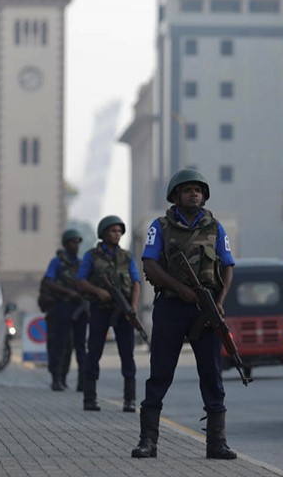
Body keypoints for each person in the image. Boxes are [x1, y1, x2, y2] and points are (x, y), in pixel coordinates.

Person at [131, 169, 237, 460]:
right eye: (188, 190)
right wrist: (182, 290)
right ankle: (148, 441)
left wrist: (220, 302)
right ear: (175, 195)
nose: (195, 194)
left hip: (207, 308)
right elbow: (150, 266)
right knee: (160, 373)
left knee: (212, 374)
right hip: (171, 306)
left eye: (199, 190)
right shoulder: (161, 226)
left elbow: (227, 266)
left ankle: (217, 443)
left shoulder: (215, 227)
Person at [75, 215, 142, 412]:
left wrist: (133, 307)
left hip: (123, 312)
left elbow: (136, 282)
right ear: (103, 234)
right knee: (94, 352)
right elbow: (80, 279)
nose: (117, 234)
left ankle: (130, 399)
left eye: (119, 231)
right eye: (113, 231)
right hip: (100, 310)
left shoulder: (127, 257)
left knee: (127, 354)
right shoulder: (92, 256)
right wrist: (98, 292)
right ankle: (89, 397)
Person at [41, 229, 88, 392]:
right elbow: (48, 281)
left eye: (77, 242)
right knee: (60, 344)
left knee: (81, 346)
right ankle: (57, 378)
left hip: (80, 307)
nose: (76, 245)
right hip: (64, 305)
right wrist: (67, 292)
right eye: (73, 242)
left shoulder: (82, 263)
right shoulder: (57, 262)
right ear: (66, 244)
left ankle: (83, 382)